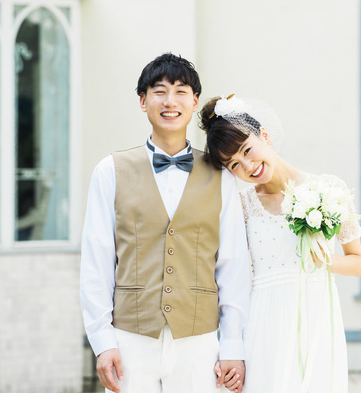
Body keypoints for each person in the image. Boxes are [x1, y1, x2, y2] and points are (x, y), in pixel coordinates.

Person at [79, 54, 250, 393]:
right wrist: (102, 340)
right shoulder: (110, 171)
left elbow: (233, 264)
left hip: (199, 341)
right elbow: (96, 261)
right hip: (129, 339)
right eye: (159, 91)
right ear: (143, 101)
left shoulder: (222, 176)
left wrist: (232, 344)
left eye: (180, 91)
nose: (170, 101)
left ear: (195, 102)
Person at [200, 95, 361, 393]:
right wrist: (230, 346)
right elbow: (229, 275)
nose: (248, 166)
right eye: (234, 164)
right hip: (265, 323)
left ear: (264, 135)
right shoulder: (242, 206)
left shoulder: (329, 189)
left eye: (247, 150)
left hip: (319, 319)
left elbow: (358, 263)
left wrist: (326, 260)